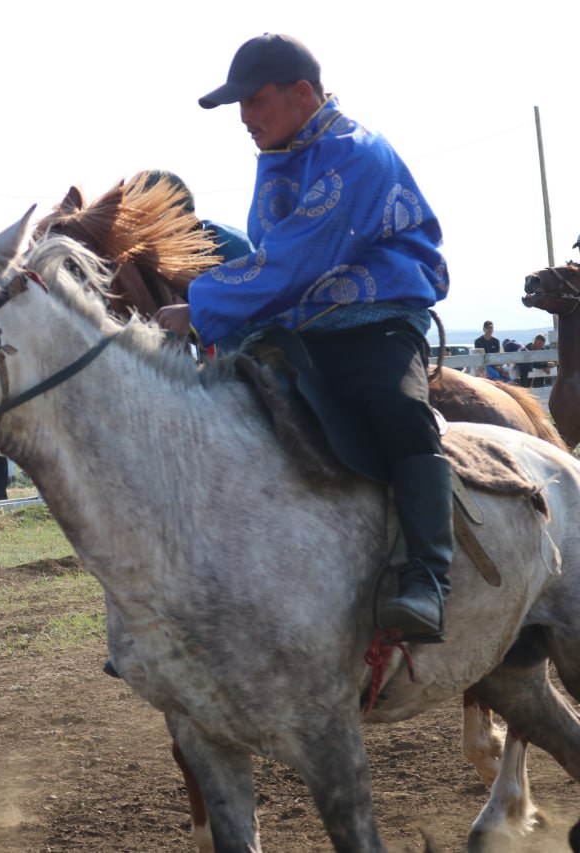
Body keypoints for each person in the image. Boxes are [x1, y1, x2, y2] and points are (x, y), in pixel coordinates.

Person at [155, 34, 452, 641]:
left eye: (255, 101)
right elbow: (278, 259)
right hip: (300, 330)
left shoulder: (356, 155)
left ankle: (428, 576)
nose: (244, 118)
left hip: (376, 323)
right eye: (240, 106)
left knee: (396, 409)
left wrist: (200, 306)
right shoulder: (284, 155)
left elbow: (293, 260)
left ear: (302, 94)